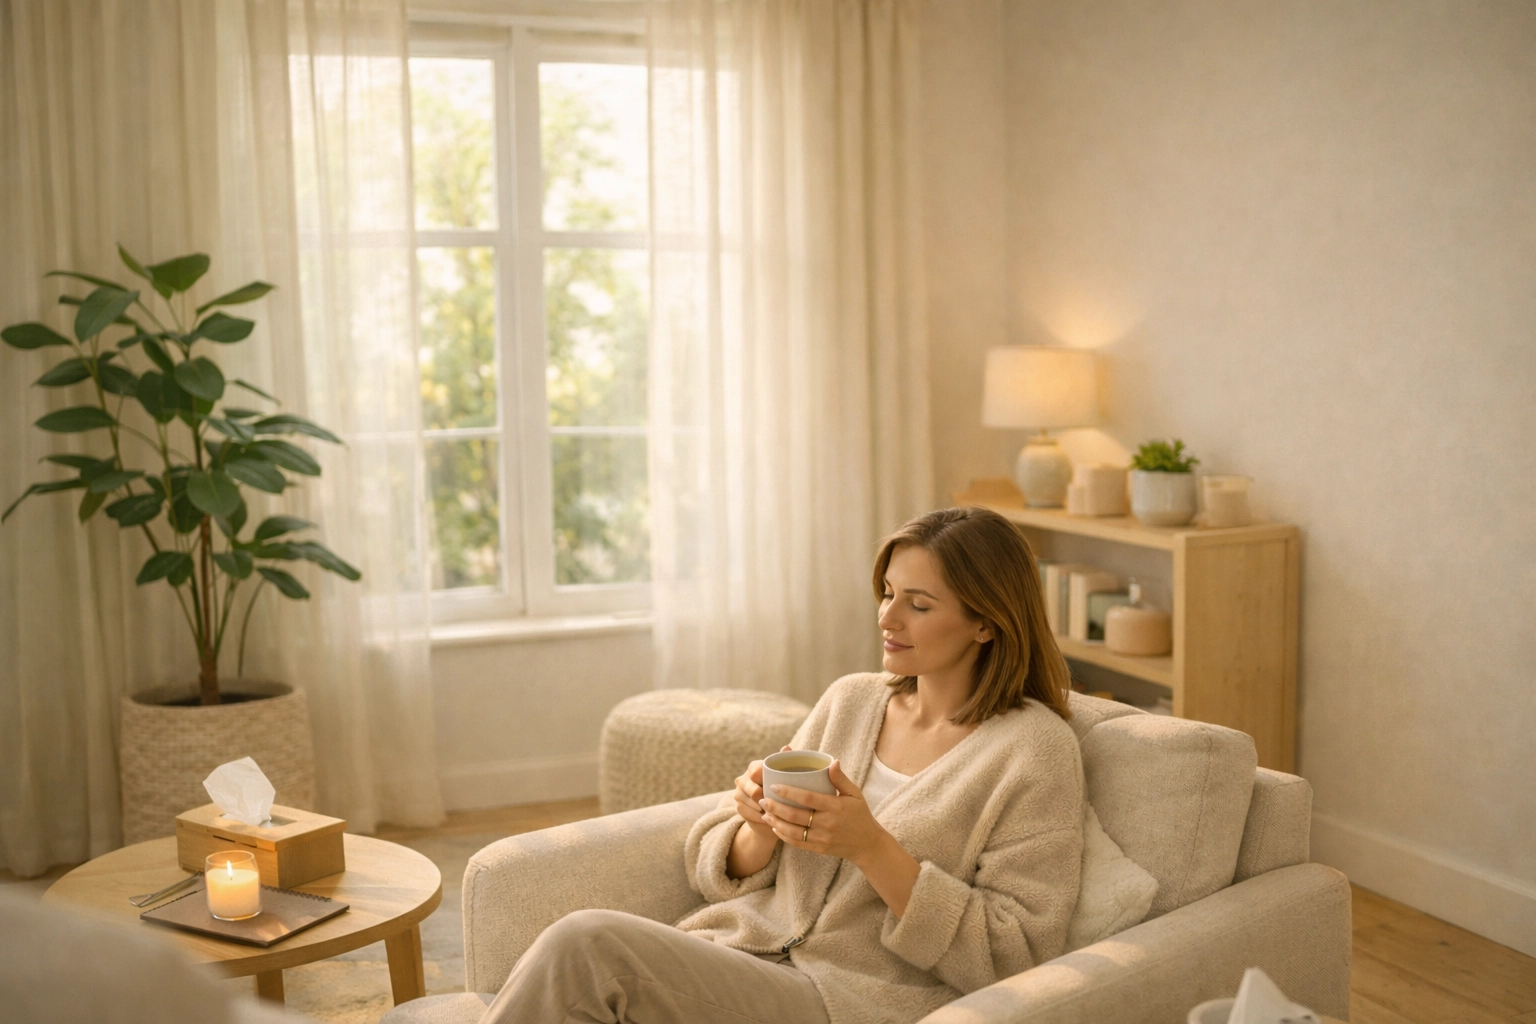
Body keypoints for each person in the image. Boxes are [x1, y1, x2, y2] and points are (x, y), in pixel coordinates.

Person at [479, 506, 1084, 1024]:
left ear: (986, 622)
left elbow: (1017, 953)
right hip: (742, 951)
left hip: (845, 1000)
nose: (887, 618)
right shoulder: (853, 700)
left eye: (918, 605)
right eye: (887, 593)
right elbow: (719, 867)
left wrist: (872, 847)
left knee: (588, 944)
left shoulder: (1035, 750)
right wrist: (759, 825)